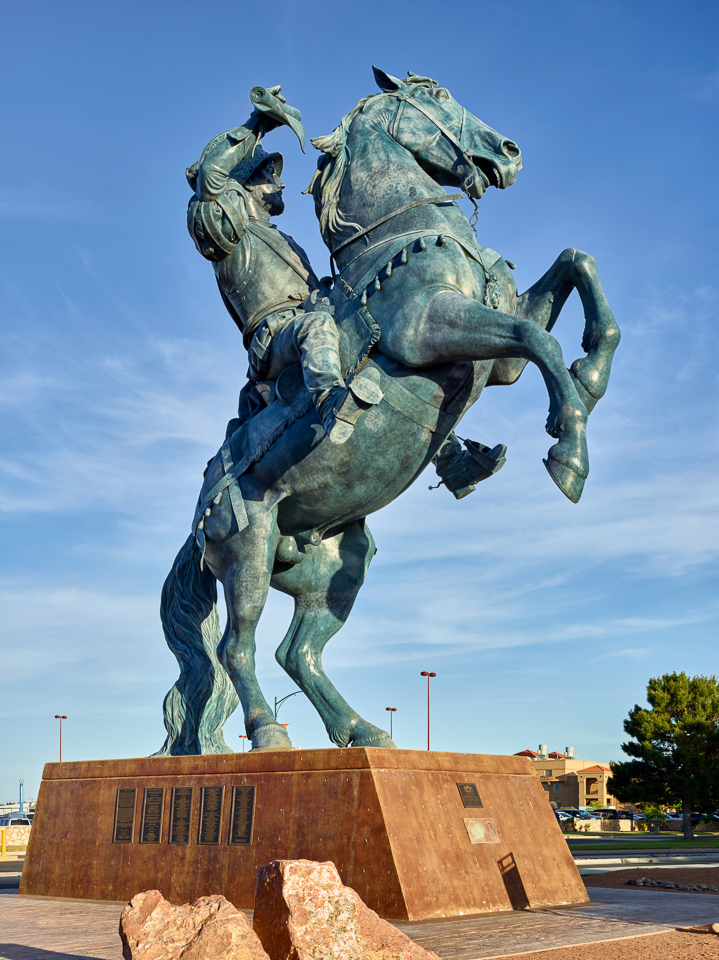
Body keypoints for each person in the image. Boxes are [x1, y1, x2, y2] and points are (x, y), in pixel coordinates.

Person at [186, 86, 356, 443]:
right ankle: (332, 405)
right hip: (276, 338)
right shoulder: (230, 233)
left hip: (307, 319)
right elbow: (212, 179)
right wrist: (259, 121)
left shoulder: (285, 240)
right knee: (317, 328)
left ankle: (449, 457)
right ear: (245, 186)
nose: (279, 181)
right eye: (268, 174)